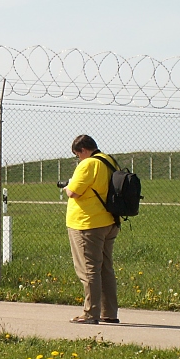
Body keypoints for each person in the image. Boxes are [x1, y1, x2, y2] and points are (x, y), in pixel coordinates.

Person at [62, 134, 121, 325]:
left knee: (88, 270)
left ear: (83, 150)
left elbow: (74, 192)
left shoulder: (88, 164)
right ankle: (109, 312)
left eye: (77, 155)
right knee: (105, 268)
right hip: (108, 221)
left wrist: (68, 185)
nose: (78, 158)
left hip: (87, 224)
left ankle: (90, 313)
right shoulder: (109, 161)